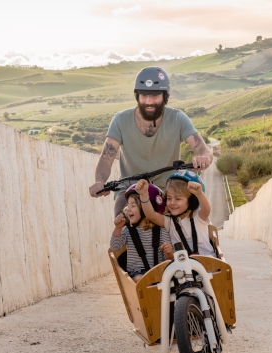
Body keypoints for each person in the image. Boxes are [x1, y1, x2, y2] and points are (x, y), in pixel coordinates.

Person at [88, 66, 213, 217]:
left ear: (164, 96)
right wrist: (100, 181)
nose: (148, 101)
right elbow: (106, 157)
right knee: (122, 221)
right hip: (129, 188)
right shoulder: (121, 120)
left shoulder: (178, 118)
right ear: (137, 96)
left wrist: (203, 157)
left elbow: (202, 148)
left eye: (154, 96)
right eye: (144, 95)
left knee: (181, 227)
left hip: (168, 189)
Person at [135, 170, 216, 258]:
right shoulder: (170, 222)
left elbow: (207, 209)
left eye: (178, 199)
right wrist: (143, 195)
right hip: (183, 266)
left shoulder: (198, 216)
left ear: (192, 201)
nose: (172, 203)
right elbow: (151, 216)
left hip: (208, 262)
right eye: (169, 198)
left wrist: (199, 194)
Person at [110, 183, 174, 282]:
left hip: (159, 272)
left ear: (147, 209)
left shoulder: (161, 231)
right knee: (142, 280)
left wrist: (169, 253)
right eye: (128, 205)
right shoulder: (128, 231)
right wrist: (118, 228)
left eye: (133, 205)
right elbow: (115, 247)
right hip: (137, 273)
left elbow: (169, 259)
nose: (128, 209)